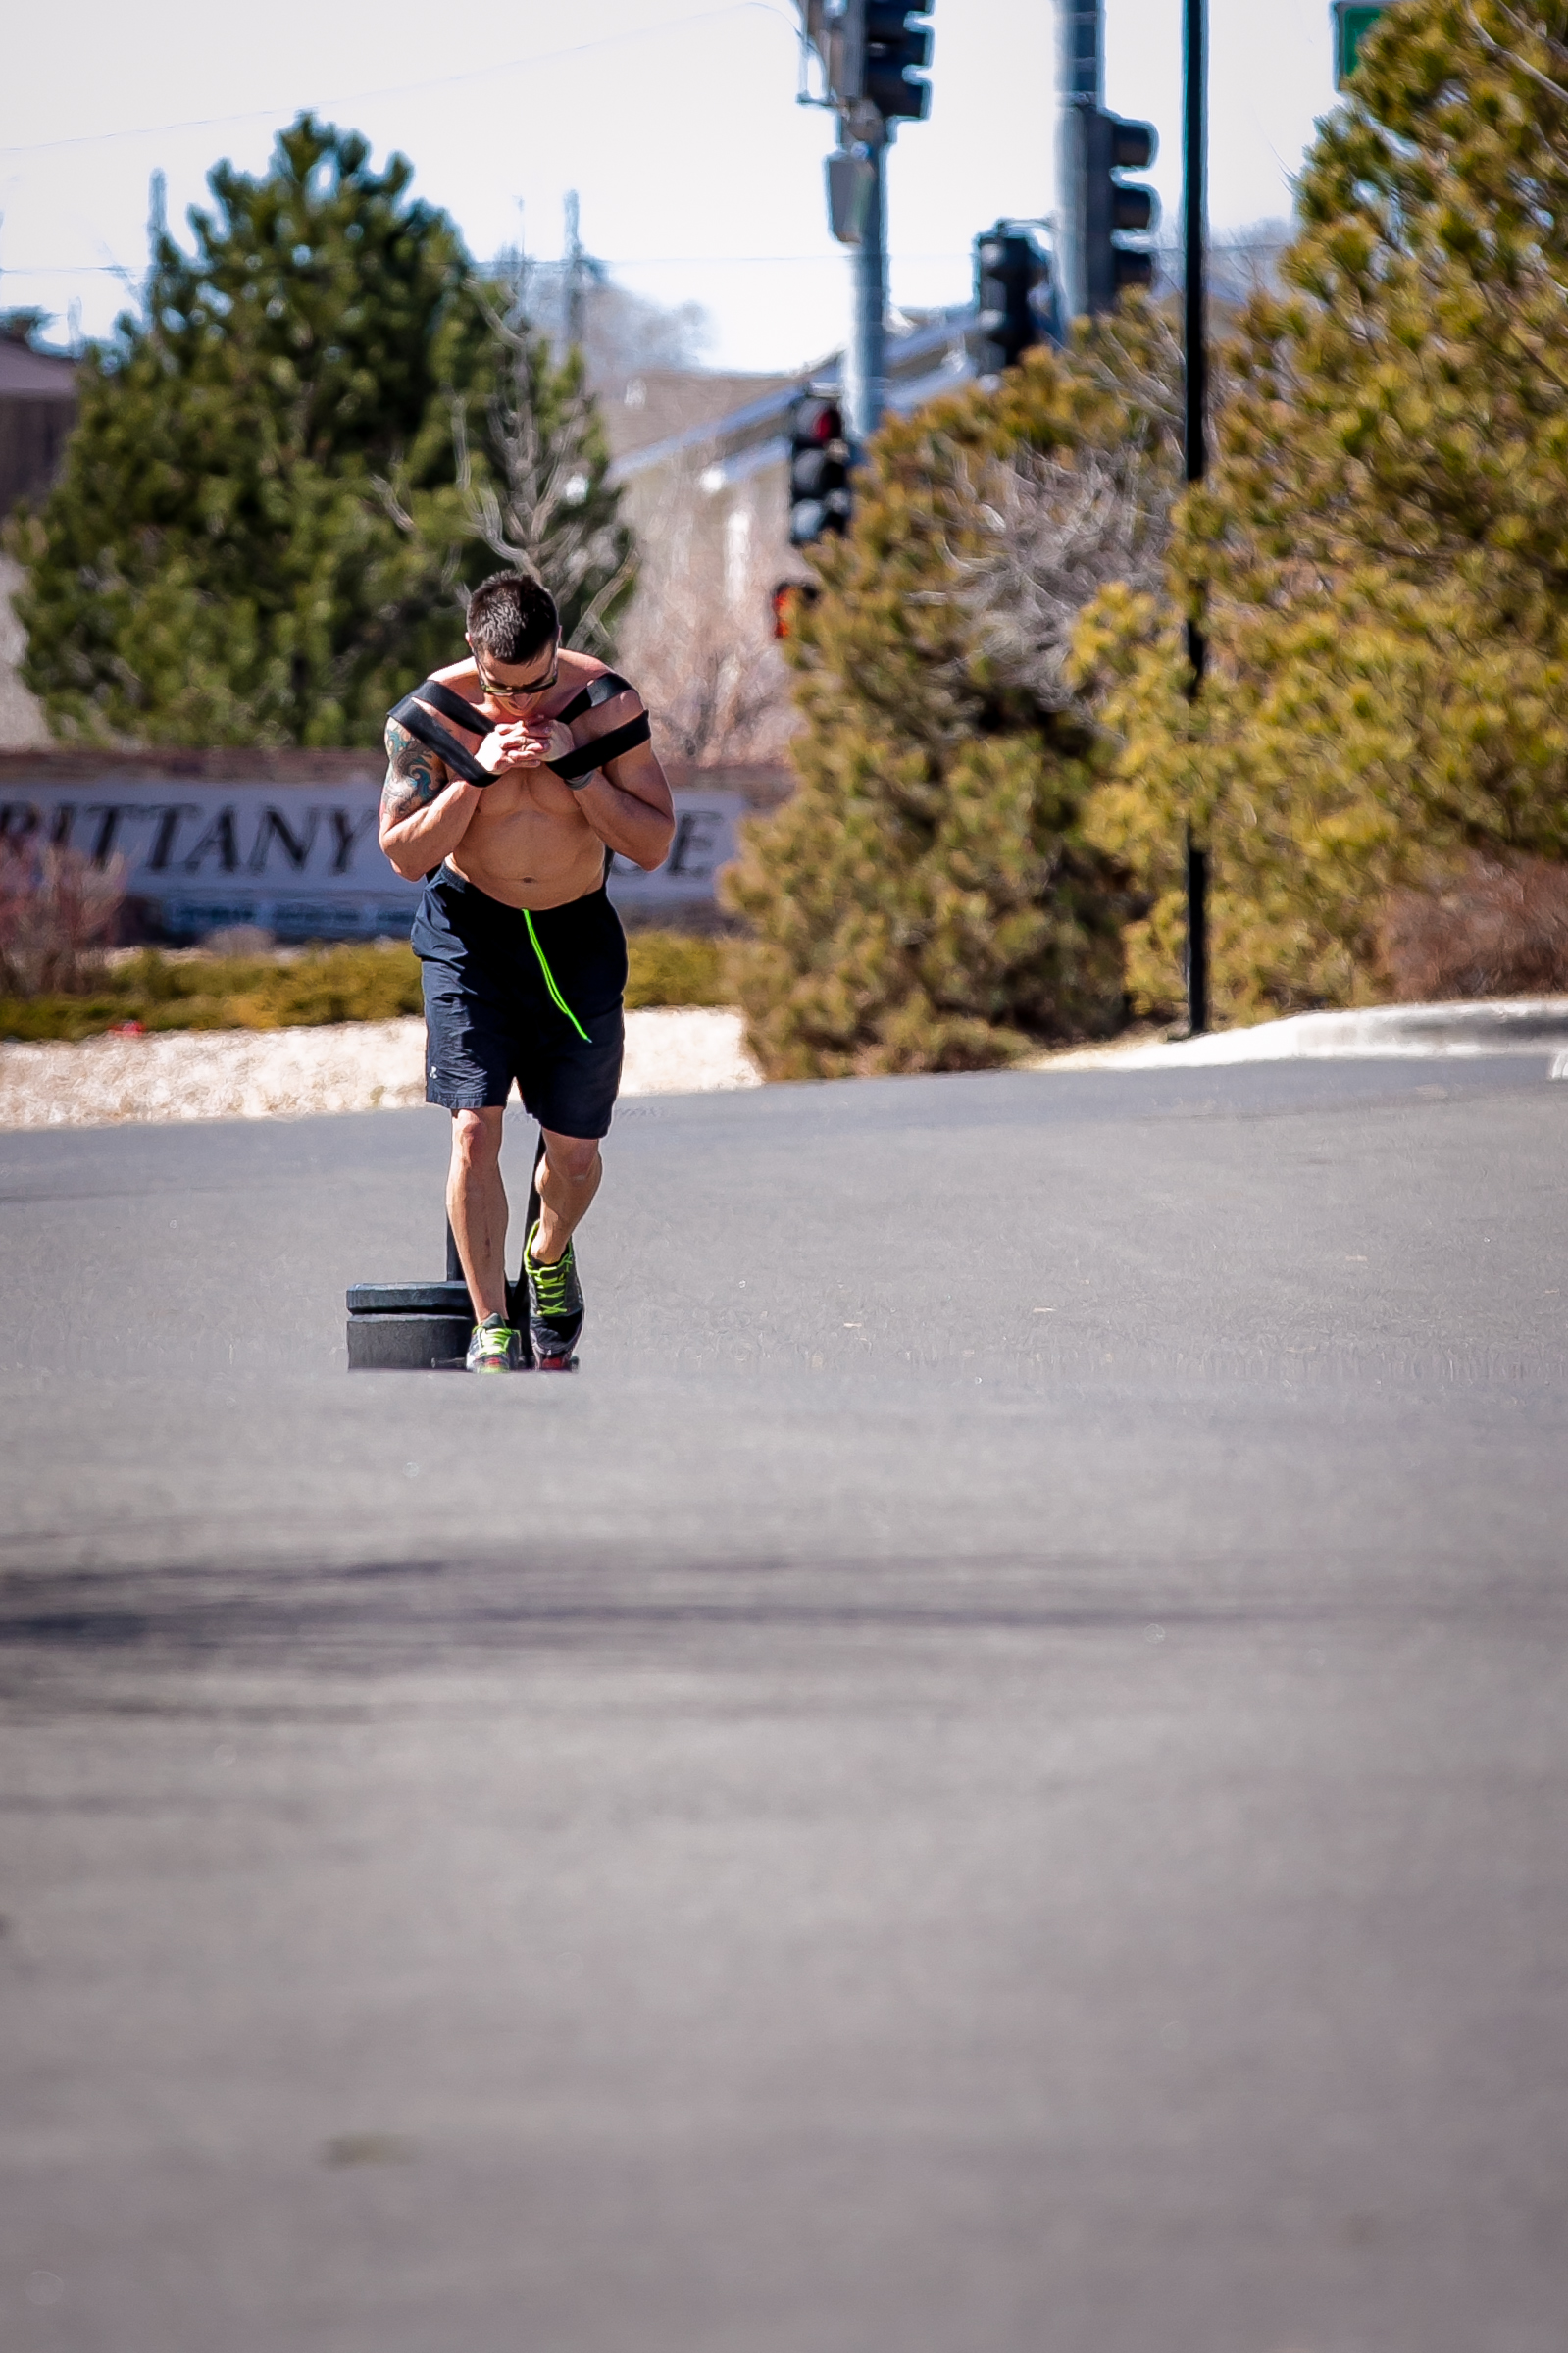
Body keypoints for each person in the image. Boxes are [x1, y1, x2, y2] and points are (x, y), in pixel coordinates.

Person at [379, 571, 674, 1372]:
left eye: (538, 682)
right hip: (470, 932)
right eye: (503, 687)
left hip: (576, 933)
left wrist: (577, 768)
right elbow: (404, 854)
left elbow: (652, 843)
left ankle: (547, 1255)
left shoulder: (604, 705)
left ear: (557, 652)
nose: (522, 704)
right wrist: (476, 772)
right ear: (474, 655)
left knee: (573, 1150)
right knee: (474, 1125)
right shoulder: (431, 717)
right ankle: (490, 1324)